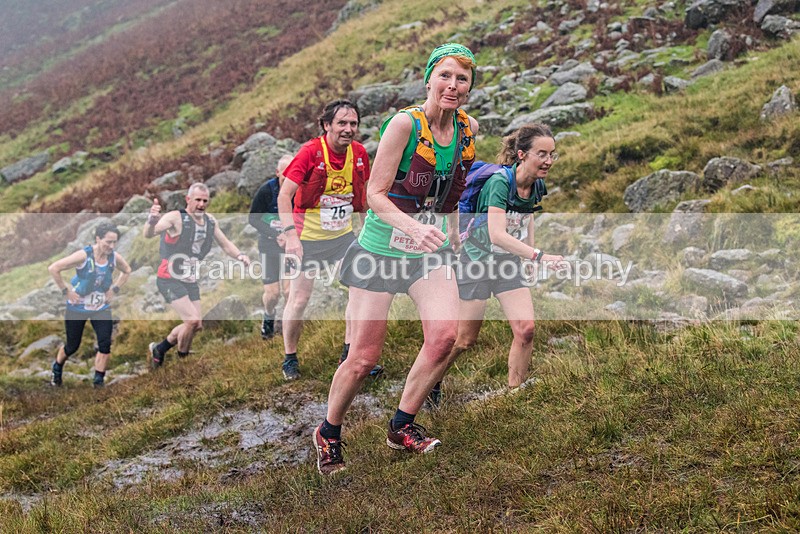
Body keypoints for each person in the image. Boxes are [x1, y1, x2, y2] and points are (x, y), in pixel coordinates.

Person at [312, 43, 479, 475]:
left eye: (462, 79)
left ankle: (401, 426)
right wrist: (412, 227)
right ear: (429, 78)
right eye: (445, 75)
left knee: (445, 337)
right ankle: (329, 432)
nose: (452, 85)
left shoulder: (466, 130)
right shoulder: (405, 125)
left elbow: (449, 196)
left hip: (429, 251)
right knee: (363, 358)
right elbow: (375, 195)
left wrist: (453, 238)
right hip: (381, 251)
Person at [427, 124, 568, 407]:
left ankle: (514, 395)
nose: (548, 161)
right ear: (521, 154)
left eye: (552, 154)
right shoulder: (500, 183)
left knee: (526, 329)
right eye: (542, 154)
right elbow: (497, 235)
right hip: (476, 262)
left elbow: (527, 217)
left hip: (507, 264)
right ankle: (430, 381)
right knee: (465, 340)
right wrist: (539, 256)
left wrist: (527, 257)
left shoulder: (537, 183)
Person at [277, 99, 376, 381]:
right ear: (327, 125)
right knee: (299, 299)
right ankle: (290, 358)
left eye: (353, 124)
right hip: (306, 238)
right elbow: (284, 196)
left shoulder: (359, 153)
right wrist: (290, 237)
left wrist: (366, 233)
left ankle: (349, 354)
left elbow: (362, 198)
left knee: (358, 292)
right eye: (342, 123)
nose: (348, 129)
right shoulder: (310, 152)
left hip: (342, 237)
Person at [144, 182, 251, 367]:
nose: (201, 204)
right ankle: (184, 362)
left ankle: (160, 349)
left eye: (205, 201)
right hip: (169, 278)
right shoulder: (175, 218)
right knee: (191, 320)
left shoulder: (210, 221)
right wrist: (152, 220)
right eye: (197, 200)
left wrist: (240, 255)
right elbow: (149, 234)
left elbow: (225, 244)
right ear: (188, 199)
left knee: (197, 325)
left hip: (190, 278)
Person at [48, 222, 132, 388]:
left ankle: (98, 383)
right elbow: (54, 268)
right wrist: (66, 292)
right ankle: (57, 368)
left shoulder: (114, 257)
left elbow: (127, 270)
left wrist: (114, 289)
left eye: (114, 242)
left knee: (105, 343)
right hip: (77, 307)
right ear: (98, 239)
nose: (111, 246)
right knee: (72, 346)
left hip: (100, 307)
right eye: (108, 242)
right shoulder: (84, 255)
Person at [249, 154, 293, 340]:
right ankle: (268, 317)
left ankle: (287, 325)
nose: (289, 177)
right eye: (285, 173)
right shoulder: (266, 191)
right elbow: (253, 219)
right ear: (277, 173)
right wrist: (275, 234)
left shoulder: (299, 190)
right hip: (269, 245)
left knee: (290, 291)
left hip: (291, 245)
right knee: (273, 294)